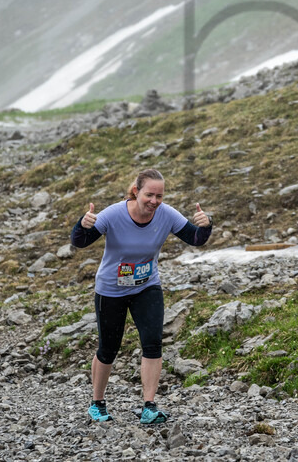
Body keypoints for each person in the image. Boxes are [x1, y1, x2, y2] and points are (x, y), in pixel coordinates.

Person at [71, 168, 211, 424]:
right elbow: (80, 242)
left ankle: (149, 406)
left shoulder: (166, 214)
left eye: (159, 196)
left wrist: (205, 225)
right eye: (149, 195)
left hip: (146, 286)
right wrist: (82, 224)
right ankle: (97, 403)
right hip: (111, 289)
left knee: (152, 343)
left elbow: (195, 238)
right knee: (108, 348)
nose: (154, 201)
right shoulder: (114, 214)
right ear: (136, 191)